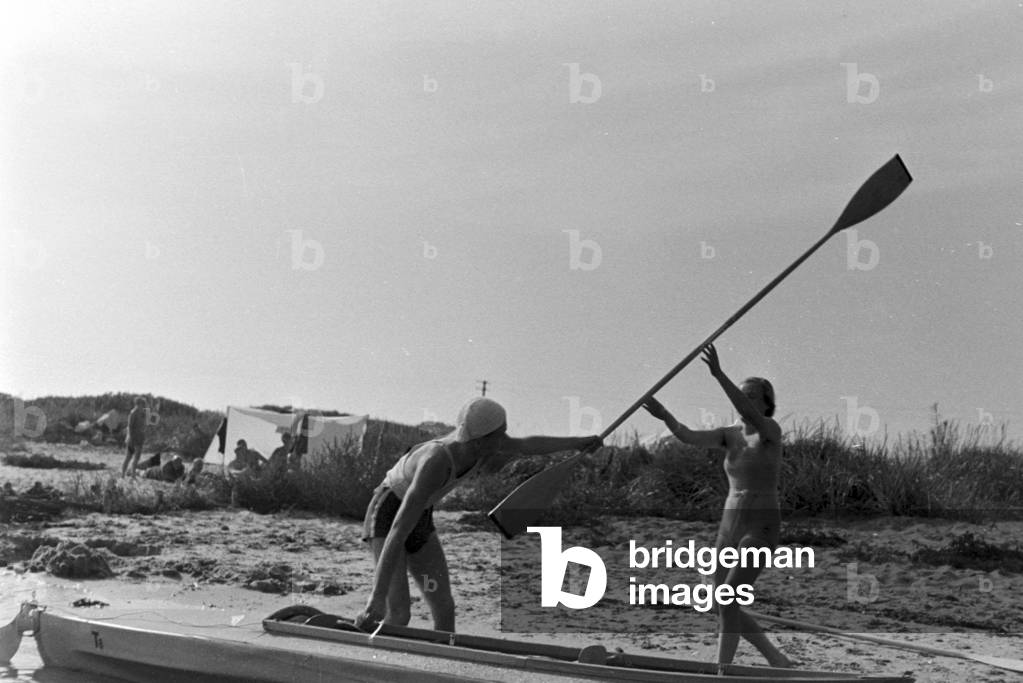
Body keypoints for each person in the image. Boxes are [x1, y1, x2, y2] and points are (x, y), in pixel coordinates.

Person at [355, 396, 602, 633]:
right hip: (388, 514)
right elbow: (398, 530)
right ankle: (366, 641)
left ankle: (447, 658)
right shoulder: (435, 461)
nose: (505, 439)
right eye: (501, 433)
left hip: (420, 518)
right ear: (481, 439)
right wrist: (377, 596)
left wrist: (578, 443)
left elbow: (527, 445)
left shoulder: (483, 444)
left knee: (444, 607)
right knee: (399, 614)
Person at [643, 343, 793, 669]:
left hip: (760, 526)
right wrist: (665, 415)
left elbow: (748, 413)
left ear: (767, 403)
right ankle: (776, 659)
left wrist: (718, 375)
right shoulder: (729, 435)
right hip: (729, 526)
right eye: (743, 395)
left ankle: (721, 670)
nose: (745, 401)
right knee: (720, 601)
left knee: (728, 597)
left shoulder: (770, 431)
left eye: (752, 396)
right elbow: (688, 437)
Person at [121, 397, 148, 477]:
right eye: (142, 404)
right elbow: (130, 426)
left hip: (139, 437)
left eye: (144, 404)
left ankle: (132, 474)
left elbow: (144, 425)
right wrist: (131, 438)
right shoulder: (133, 413)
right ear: (138, 404)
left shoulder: (143, 413)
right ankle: (123, 474)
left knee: (136, 457)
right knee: (129, 457)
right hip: (133, 437)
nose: (143, 406)